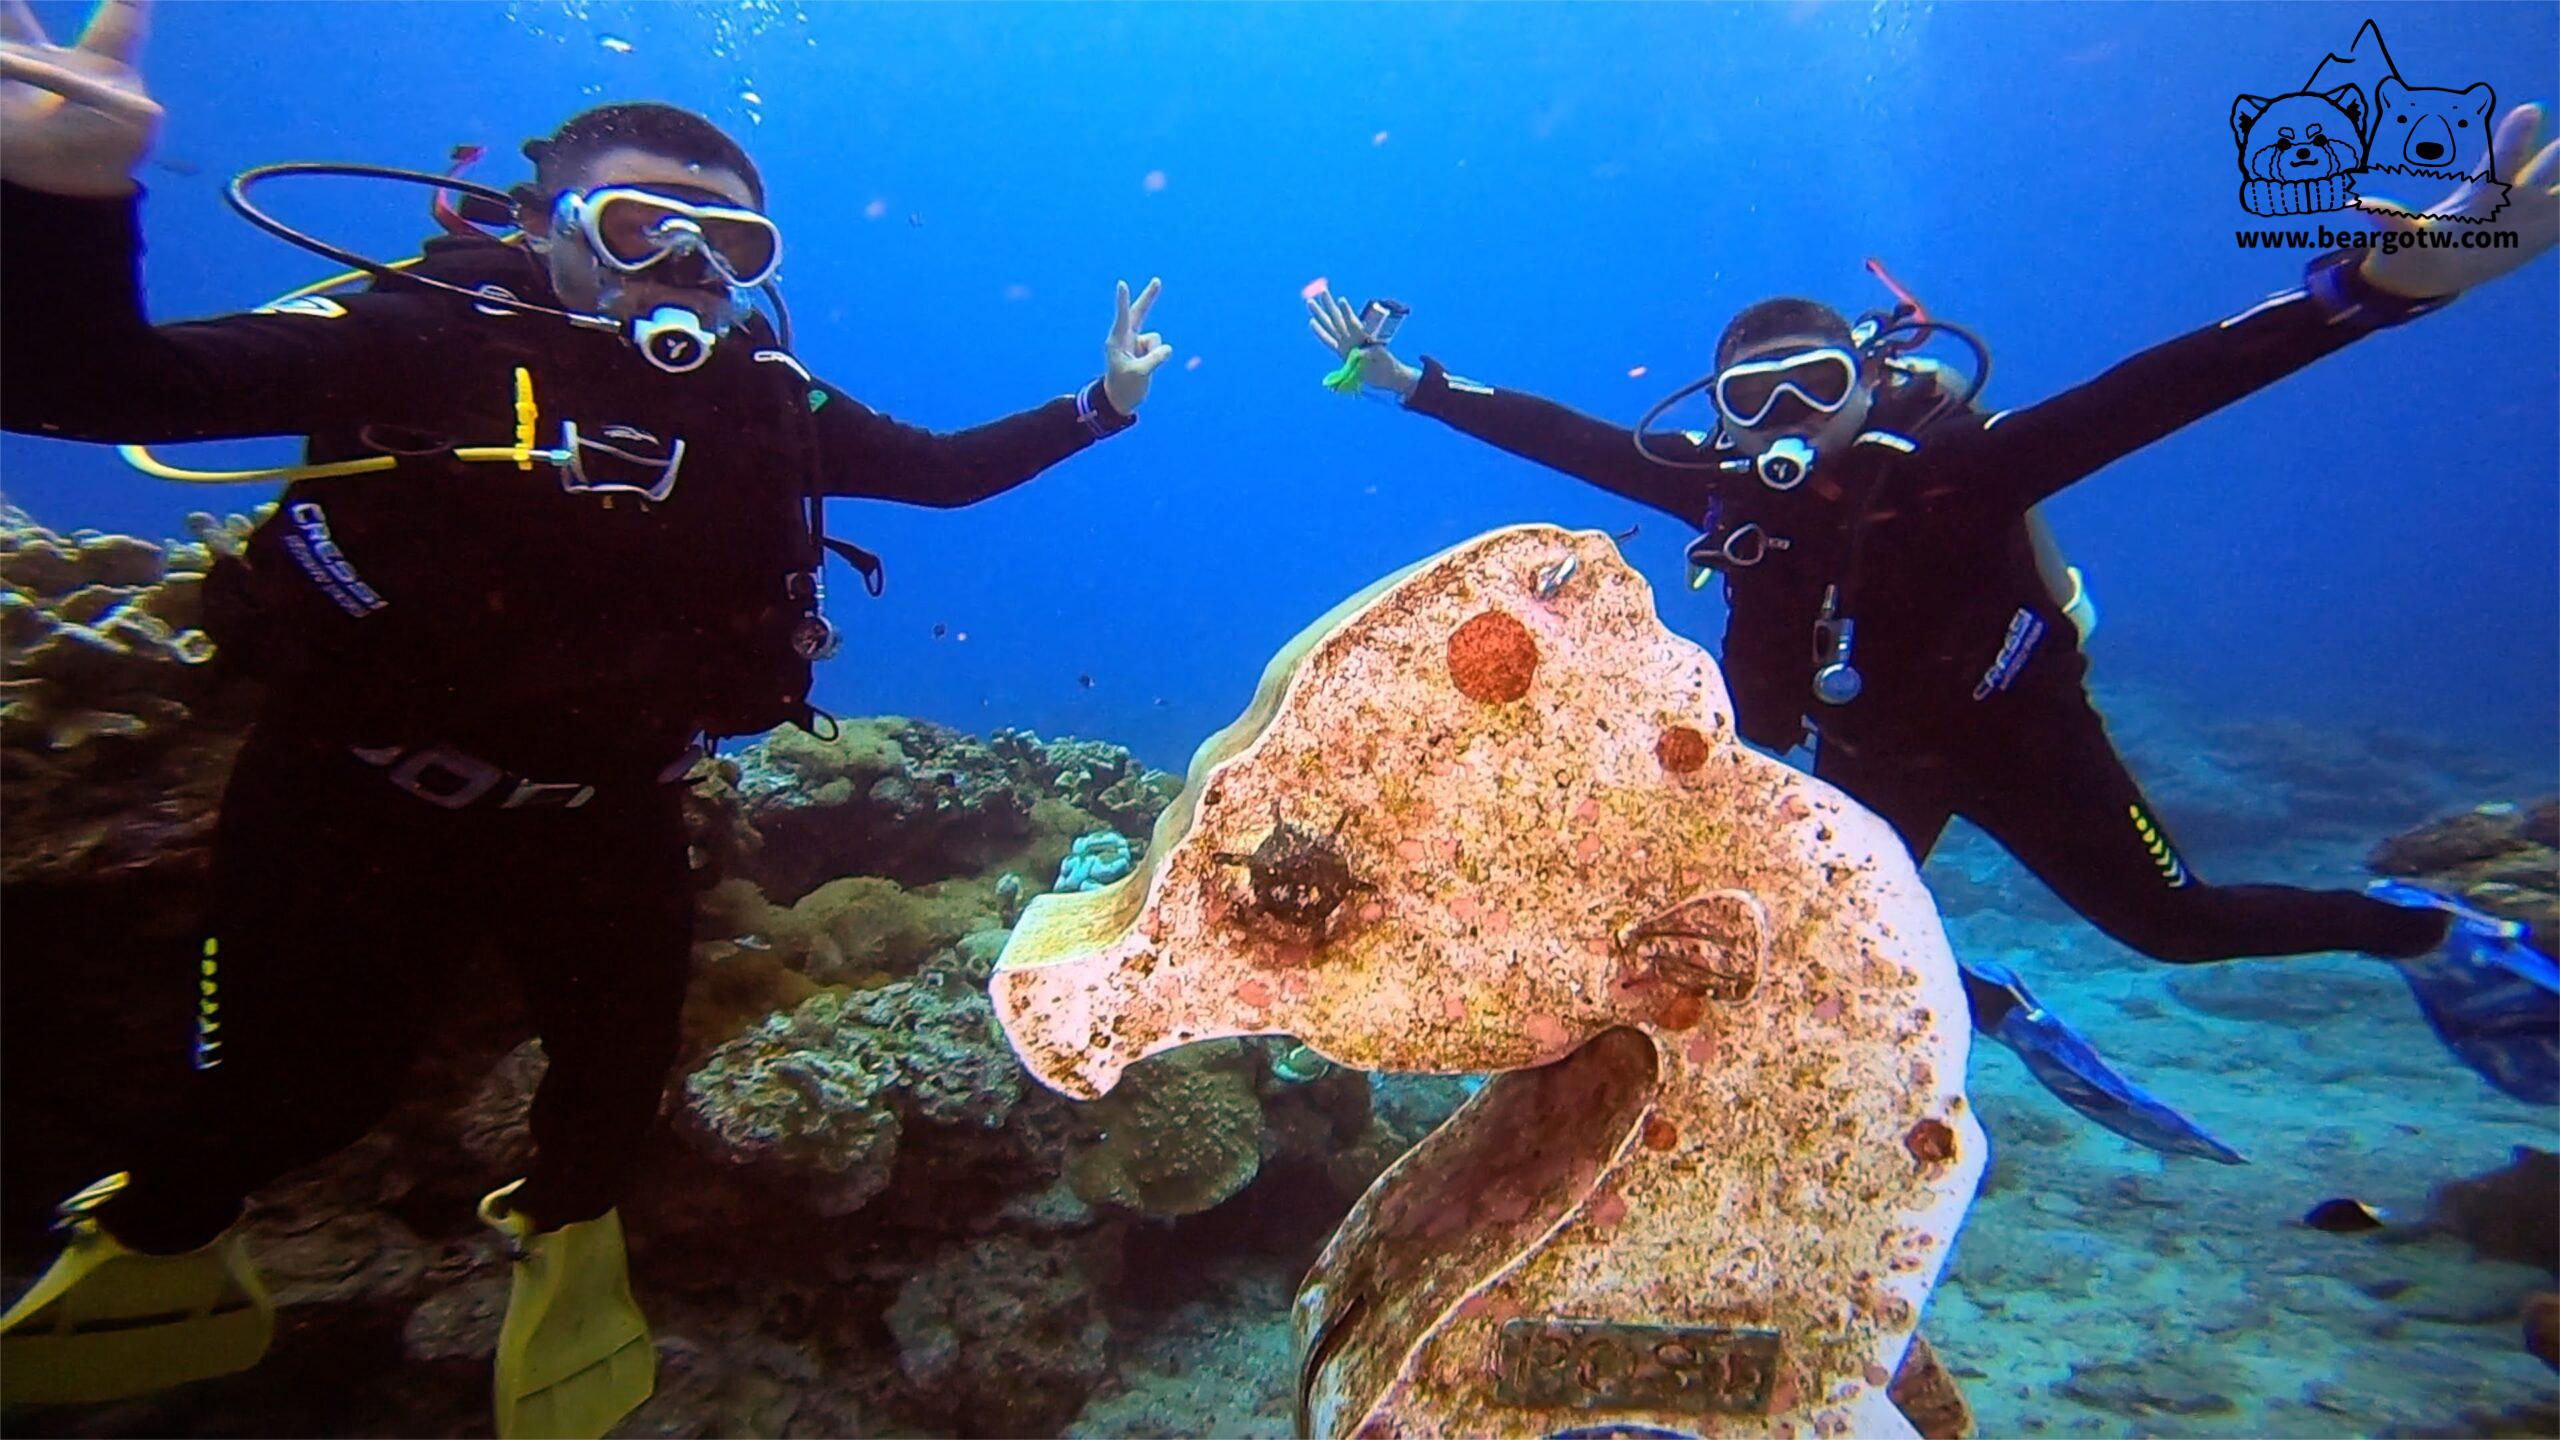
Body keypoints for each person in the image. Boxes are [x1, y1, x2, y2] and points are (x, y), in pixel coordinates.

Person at [0, 2, 1175, 1433]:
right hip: (354, 796)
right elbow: (91, 387)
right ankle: (158, 1230)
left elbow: (934, 473)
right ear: (543, 222)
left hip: (609, 818)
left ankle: (562, 1248)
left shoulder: (763, 397)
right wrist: (68, 199)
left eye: (730, 247)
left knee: (614, 1092)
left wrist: (1101, 406)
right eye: (637, 229)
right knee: (297, 1094)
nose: (686, 268)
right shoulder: (409, 335)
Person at [1309, 105, 2560, 1142]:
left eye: (1819, 386)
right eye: (1758, 399)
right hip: (1868, 758)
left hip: (2023, 738)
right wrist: (1408, 382)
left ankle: (2432, 931)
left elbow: (2160, 388)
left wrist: (2369, 290)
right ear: (1724, 417)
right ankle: (1985, 1001)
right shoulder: (1722, 479)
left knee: (2175, 930)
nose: (1791, 418)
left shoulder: (1963, 466)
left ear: (1867, 382)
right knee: (1787, 945)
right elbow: (1566, 434)